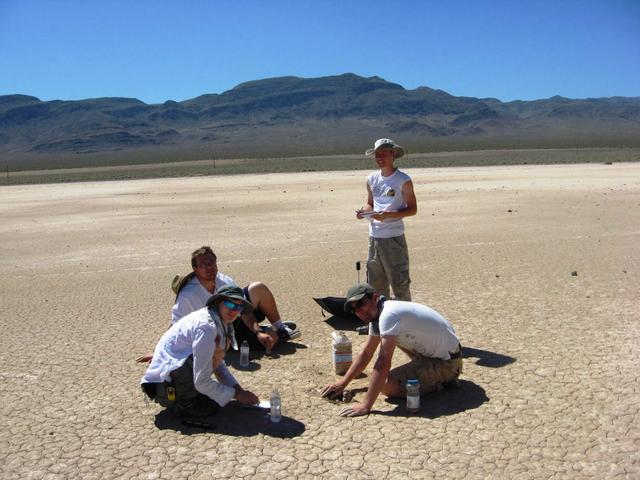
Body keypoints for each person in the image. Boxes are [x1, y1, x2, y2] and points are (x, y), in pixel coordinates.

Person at [321, 283, 462, 417]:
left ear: (375, 298)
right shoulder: (380, 313)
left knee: (388, 386)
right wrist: (342, 383)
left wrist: (366, 405)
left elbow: (383, 361)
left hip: (447, 363)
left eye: (360, 304)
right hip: (438, 353)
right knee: (390, 342)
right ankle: (430, 372)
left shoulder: (389, 315)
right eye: (354, 309)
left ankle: (443, 383)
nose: (358, 311)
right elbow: (366, 353)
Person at [141, 285, 260, 417]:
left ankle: (190, 395)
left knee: (216, 354)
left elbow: (218, 365)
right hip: (164, 389)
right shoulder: (207, 327)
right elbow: (202, 381)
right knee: (211, 407)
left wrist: (238, 391)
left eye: (239, 307)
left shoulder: (219, 321)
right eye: (229, 304)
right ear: (218, 302)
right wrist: (237, 394)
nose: (234, 311)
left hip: (171, 378)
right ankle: (184, 402)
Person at [173, 246, 301, 352]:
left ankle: (279, 328)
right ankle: (272, 332)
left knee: (258, 288)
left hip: (234, 318)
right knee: (269, 340)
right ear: (195, 269)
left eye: (211, 263)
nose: (209, 267)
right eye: (203, 265)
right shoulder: (188, 295)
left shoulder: (224, 281)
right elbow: (176, 326)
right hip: (218, 334)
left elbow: (243, 309)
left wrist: (257, 332)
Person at [356, 138, 417, 301]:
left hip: (393, 239)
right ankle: (380, 324)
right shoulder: (371, 179)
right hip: (374, 238)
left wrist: (388, 215)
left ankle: (405, 322)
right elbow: (370, 203)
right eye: (377, 154)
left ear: (393, 154)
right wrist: (364, 212)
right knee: (376, 286)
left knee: (400, 284)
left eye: (384, 153)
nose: (380, 157)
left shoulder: (403, 180)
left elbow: (412, 209)